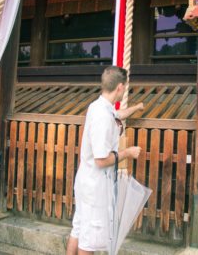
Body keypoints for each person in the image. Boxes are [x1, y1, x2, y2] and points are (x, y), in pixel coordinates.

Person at [66, 66, 144, 255]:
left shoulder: (98, 106)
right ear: (119, 87)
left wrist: (136, 107)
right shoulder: (102, 116)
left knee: (79, 229)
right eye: (124, 87)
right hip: (95, 184)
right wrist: (128, 152)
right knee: (90, 239)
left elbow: (117, 115)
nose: (124, 90)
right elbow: (101, 159)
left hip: (86, 179)